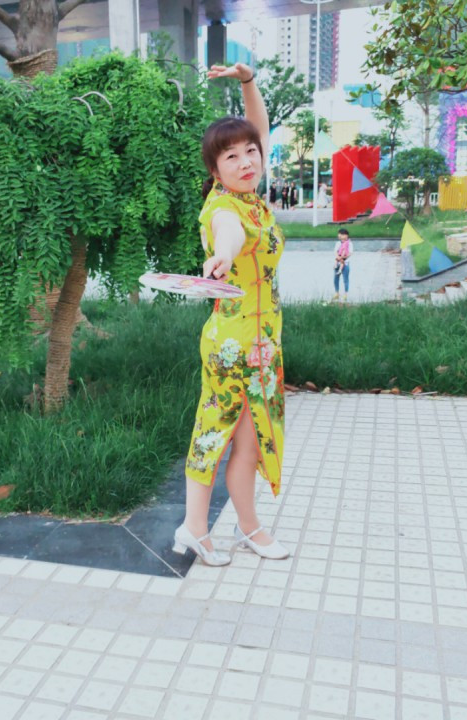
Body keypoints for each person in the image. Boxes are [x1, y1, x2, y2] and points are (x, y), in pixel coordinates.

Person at [174, 62, 290, 566]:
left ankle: (248, 526)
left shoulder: (253, 198)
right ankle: (194, 528)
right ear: (214, 170)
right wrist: (221, 256)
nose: (246, 162)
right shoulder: (223, 208)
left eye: (250, 153)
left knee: (250, 440)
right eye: (231, 156)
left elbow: (257, 130)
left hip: (263, 344)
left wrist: (248, 81)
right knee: (213, 434)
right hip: (231, 346)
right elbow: (229, 235)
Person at [333, 228, 353, 302]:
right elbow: (335, 251)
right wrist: (338, 258)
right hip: (338, 262)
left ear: (346, 235)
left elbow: (350, 253)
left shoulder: (349, 243)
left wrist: (343, 258)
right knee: (335, 279)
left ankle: (345, 294)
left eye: (341, 234)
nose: (340, 236)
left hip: (345, 263)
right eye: (339, 234)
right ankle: (337, 293)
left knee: (345, 279)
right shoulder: (338, 243)